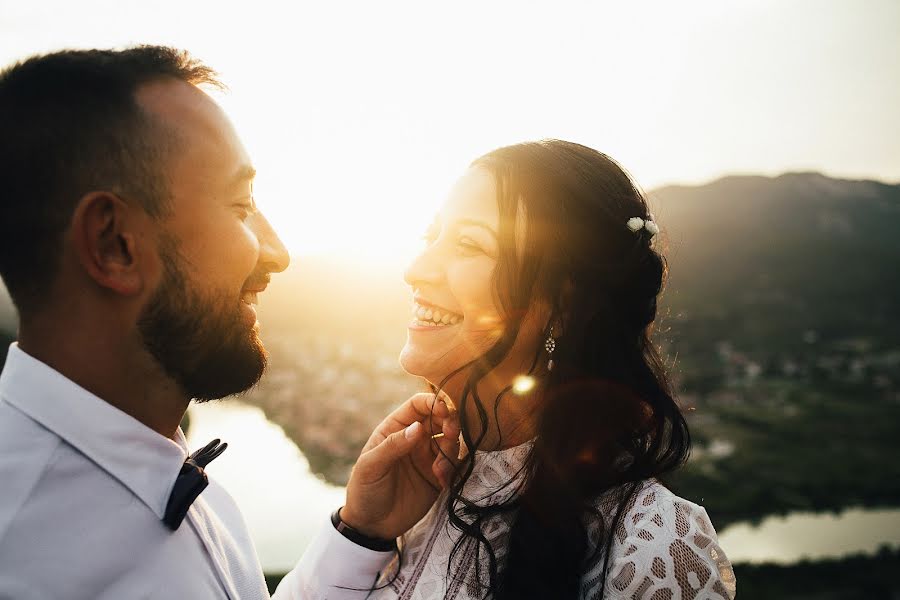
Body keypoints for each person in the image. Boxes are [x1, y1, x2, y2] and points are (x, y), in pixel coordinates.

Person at [0, 46, 454, 599]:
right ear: (114, 245)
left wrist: (358, 534)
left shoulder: (177, 473)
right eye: (240, 207)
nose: (278, 252)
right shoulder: (21, 557)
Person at [336, 140, 738, 599]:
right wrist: (359, 533)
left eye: (468, 244)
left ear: (564, 305)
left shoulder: (651, 549)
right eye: (432, 238)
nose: (415, 269)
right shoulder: (414, 485)